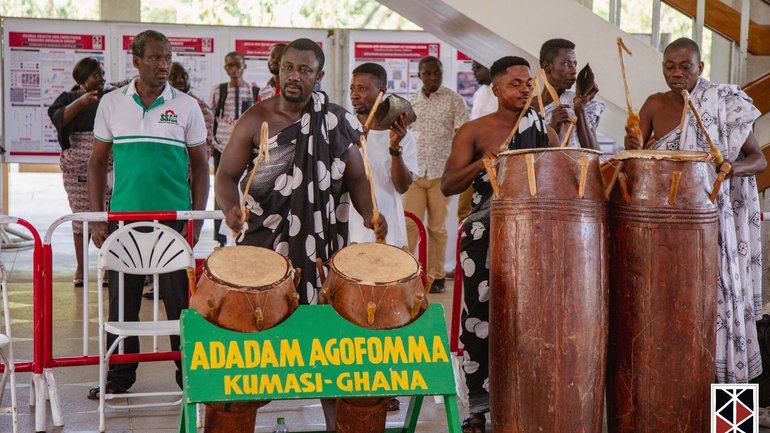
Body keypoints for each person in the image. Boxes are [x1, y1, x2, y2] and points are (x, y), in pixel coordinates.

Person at [215, 38, 386, 428]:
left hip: (322, 251)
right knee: (258, 350)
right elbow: (226, 175)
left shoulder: (336, 121)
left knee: (329, 351)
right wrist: (230, 209)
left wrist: (370, 213)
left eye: (305, 70)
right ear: (278, 70)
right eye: (289, 67)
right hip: (263, 252)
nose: (295, 76)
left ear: (319, 76)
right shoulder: (256, 119)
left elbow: (357, 177)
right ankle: (237, 419)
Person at [625, 37, 766, 383]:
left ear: (699, 68)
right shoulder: (653, 105)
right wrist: (632, 147)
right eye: (669, 67)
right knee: (670, 315)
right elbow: (634, 163)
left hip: (713, 226)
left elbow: (758, 159)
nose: (676, 73)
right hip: (664, 228)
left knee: (720, 312)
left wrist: (730, 169)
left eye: (684, 66)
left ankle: (729, 419)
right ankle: (676, 405)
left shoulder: (722, 102)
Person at [441, 56, 561, 433]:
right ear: (495, 89)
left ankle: (526, 397)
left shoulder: (543, 130)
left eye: (528, 83)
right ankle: (477, 407)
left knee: (530, 319)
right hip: (484, 237)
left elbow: (564, 175)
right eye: (515, 83)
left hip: (535, 239)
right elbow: (448, 184)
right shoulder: (475, 131)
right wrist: (480, 165)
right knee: (479, 319)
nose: (524, 89)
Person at [86, 29, 209, 398]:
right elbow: (96, 164)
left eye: (167, 57)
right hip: (123, 221)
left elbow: (201, 167)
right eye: (155, 58)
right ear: (136, 61)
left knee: (180, 306)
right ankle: (118, 379)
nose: (163, 65)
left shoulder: (187, 106)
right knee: (122, 304)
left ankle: (188, 377)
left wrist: (196, 218)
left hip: (173, 221)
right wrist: (97, 217)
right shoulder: (111, 103)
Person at [404, 55, 468, 293]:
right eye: (427, 73)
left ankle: (436, 275)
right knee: (410, 224)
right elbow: (403, 135)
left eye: (437, 73)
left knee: (437, 228)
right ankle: (406, 273)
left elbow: (462, 133)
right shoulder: (411, 102)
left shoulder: (454, 100)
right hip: (415, 174)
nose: (432, 77)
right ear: (419, 75)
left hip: (441, 173)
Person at [48, 57, 114, 287]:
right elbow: (58, 118)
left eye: (102, 74)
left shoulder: (109, 96)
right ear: (83, 79)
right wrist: (82, 101)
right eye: (97, 75)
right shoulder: (68, 99)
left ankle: (107, 268)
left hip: (108, 165)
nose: (102, 79)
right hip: (76, 167)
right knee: (80, 217)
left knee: (107, 214)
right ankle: (81, 268)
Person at [347, 62, 417, 248]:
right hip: (351, 221)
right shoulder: (344, 128)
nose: (355, 94)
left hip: (389, 225)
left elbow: (402, 187)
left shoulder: (402, 135)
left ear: (381, 91)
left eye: (362, 89)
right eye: (352, 88)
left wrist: (395, 148)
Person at [211, 51, 258, 246]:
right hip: (222, 147)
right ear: (225, 67)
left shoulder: (254, 92)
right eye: (230, 66)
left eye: (238, 65)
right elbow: (213, 116)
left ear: (244, 67)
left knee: (247, 188)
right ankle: (221, 238)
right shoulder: (218, 91)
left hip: (245, 149)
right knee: (222, 189)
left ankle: (246, 229)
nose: (234, 70)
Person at [539, 38, 604, 149]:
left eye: (574, 64)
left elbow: (593, 152)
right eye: (566, 64)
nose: (574, 71)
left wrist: (579, 108)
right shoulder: (529, 108)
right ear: (547, 67)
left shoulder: (584, 103)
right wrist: (552, 128)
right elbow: (529, 155)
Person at [458, 61, 498, 222]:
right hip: (472, 158)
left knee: (488, 209)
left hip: (493, 159)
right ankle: (464, 244)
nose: (474, 72)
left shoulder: (500, 94)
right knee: (464, 209)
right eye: (473, 68)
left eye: (478, 68)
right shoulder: (479, 92)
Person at [169, 61, 215, 156]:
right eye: (174, 77)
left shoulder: (199, 106)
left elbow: (203, 144)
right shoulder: (160, 103)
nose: (180, 80)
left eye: (184, 76)